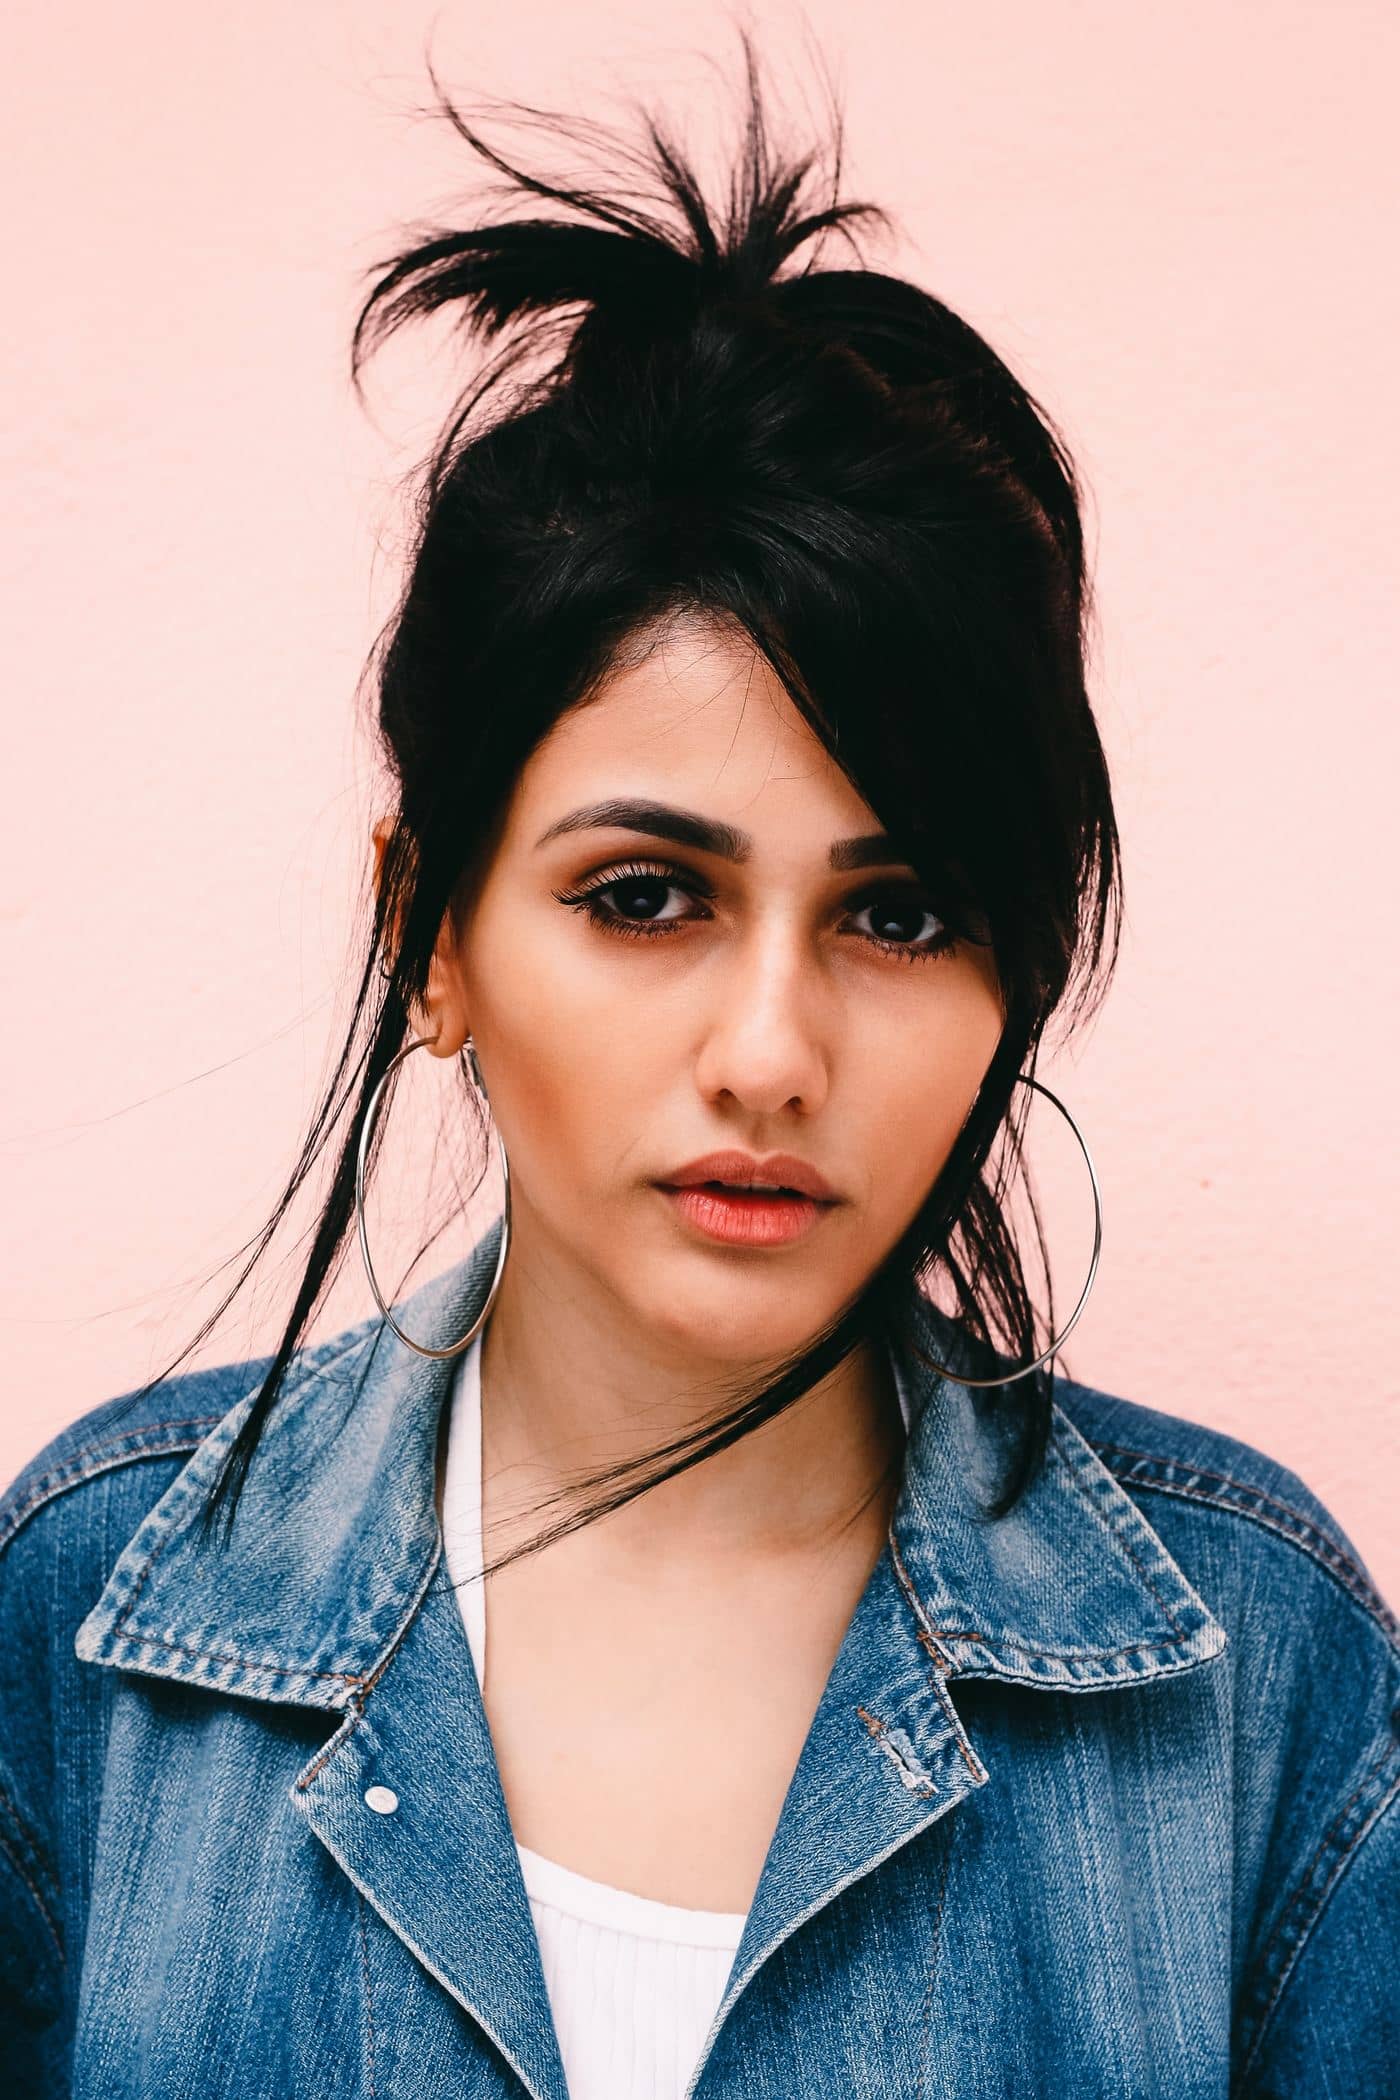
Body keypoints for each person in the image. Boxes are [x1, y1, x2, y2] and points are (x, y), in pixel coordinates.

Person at [2, 38, 1396, 2100]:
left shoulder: (1251, 1672)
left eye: (901, 911)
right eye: (647, 896)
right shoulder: (93, 1623)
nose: (770, 1052)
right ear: (434, 937)